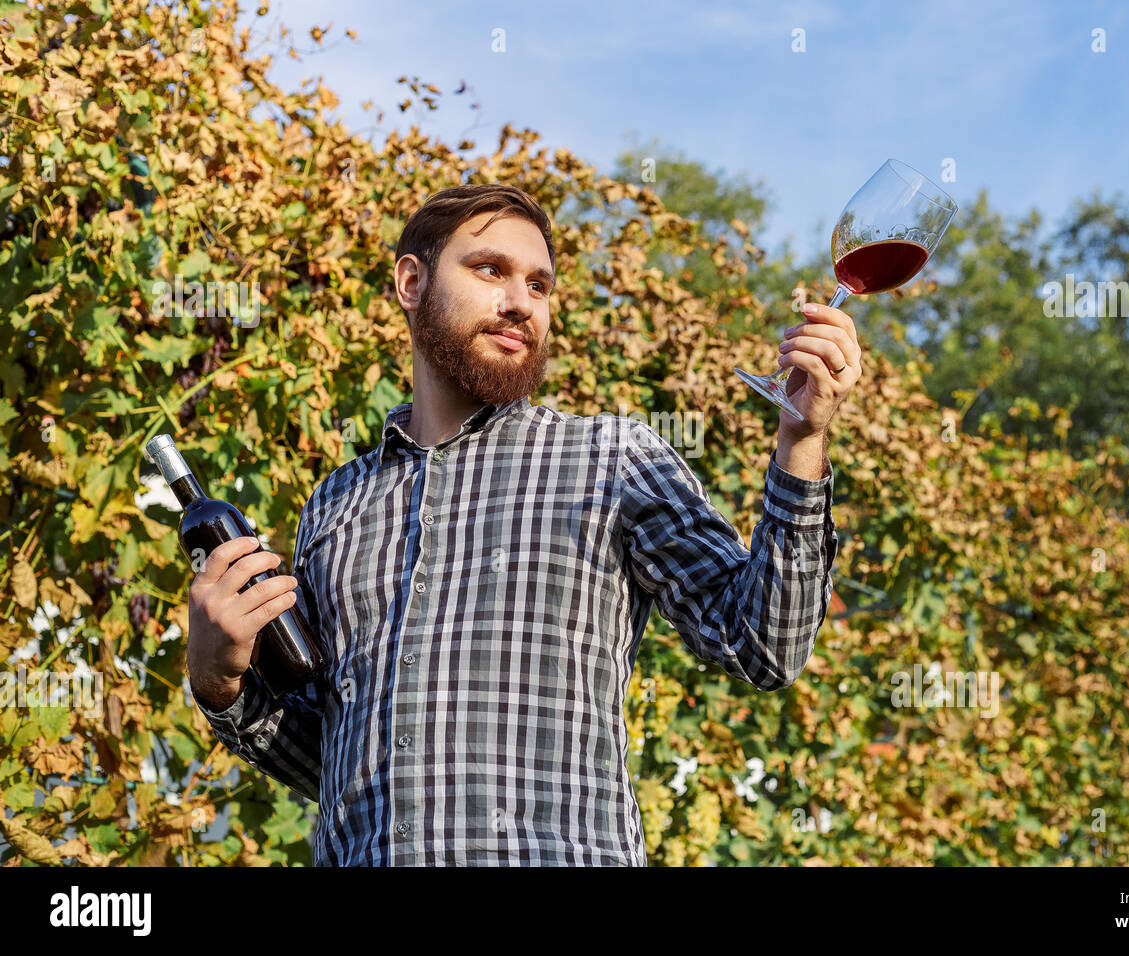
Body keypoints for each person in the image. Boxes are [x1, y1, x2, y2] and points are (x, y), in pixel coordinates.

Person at [185, 182, 860, 865]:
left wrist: (802, 443)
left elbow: (763, 644)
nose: (521, 302)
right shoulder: (335, 506)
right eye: (491, 271)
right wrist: (221, 685)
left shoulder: (611, 458)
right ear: (411, 282)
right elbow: (336, 768)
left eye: (540, 286)